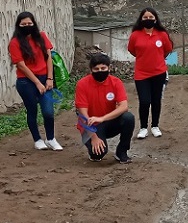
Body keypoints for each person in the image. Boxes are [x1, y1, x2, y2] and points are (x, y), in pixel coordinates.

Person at [8, 11, 62, 151]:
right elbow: (21, 65)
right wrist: (37, 83)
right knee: (32, 110)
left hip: (45, 78)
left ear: (34, 23)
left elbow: (49, 58)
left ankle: (51, 139)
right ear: (18, 25)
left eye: (29, 23)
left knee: (48, 111)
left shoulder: (42, 37)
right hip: (26, 81)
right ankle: (37, 139)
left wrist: (49, 79)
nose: (27, 26)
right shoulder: (15, 43)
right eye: (23, 24)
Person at [74, 53, 135, 164]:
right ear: (91, 70)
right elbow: (83, 115)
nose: (100, 71)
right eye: (96, 69)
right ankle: (93, 148)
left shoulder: (116, 82)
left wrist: (102, 118)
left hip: (107, 122)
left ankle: (122, 152)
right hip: (89, 125)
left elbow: (124, 106)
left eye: (103, 68)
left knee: (128, 118)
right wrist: (94, 137)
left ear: (109, 68)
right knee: (97, 155)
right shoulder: (82, 84)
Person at [127, 7, 174, 139]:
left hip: (159, 73)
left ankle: (155, 126)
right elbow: (132, 50)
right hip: (141, 74)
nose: (148, 20)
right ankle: (143, 127)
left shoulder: (162, 34)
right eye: (145, 18)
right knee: (144, 101)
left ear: (155, 19)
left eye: (151, 18)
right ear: (141, 19)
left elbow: (167, 49)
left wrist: (157, 58)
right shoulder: (135, 35)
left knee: (156, 100)